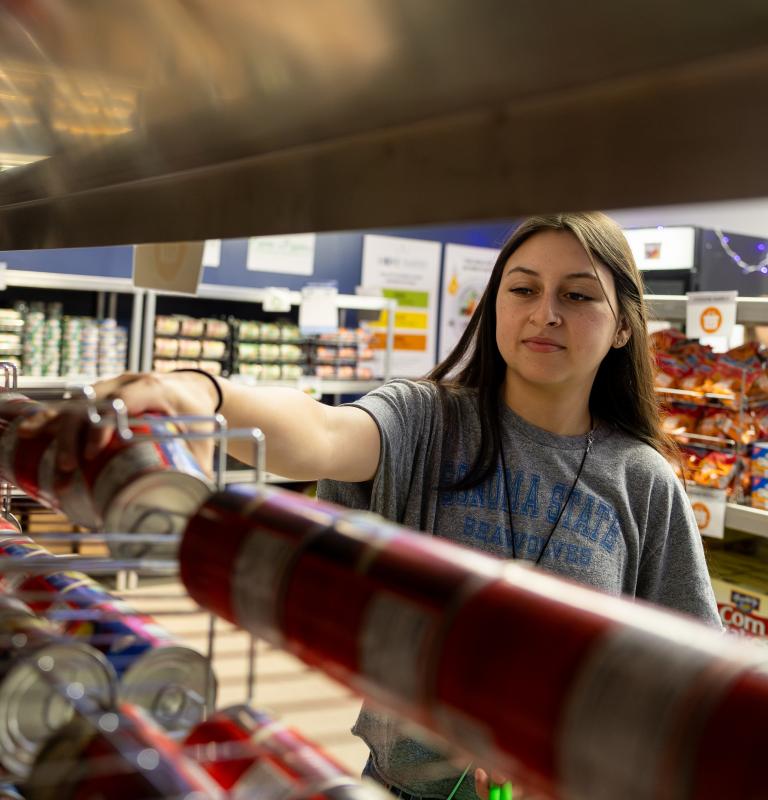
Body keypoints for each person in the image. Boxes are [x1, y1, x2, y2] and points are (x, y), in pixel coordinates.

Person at [35, 212, 721, 800]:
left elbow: (696, 685)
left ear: (626, 326)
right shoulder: (427, 421)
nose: (546, 313)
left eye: (578, 295)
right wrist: (203, 392)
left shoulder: (643, 481)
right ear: (494, 307)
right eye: (524, 289)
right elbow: (322, 431)